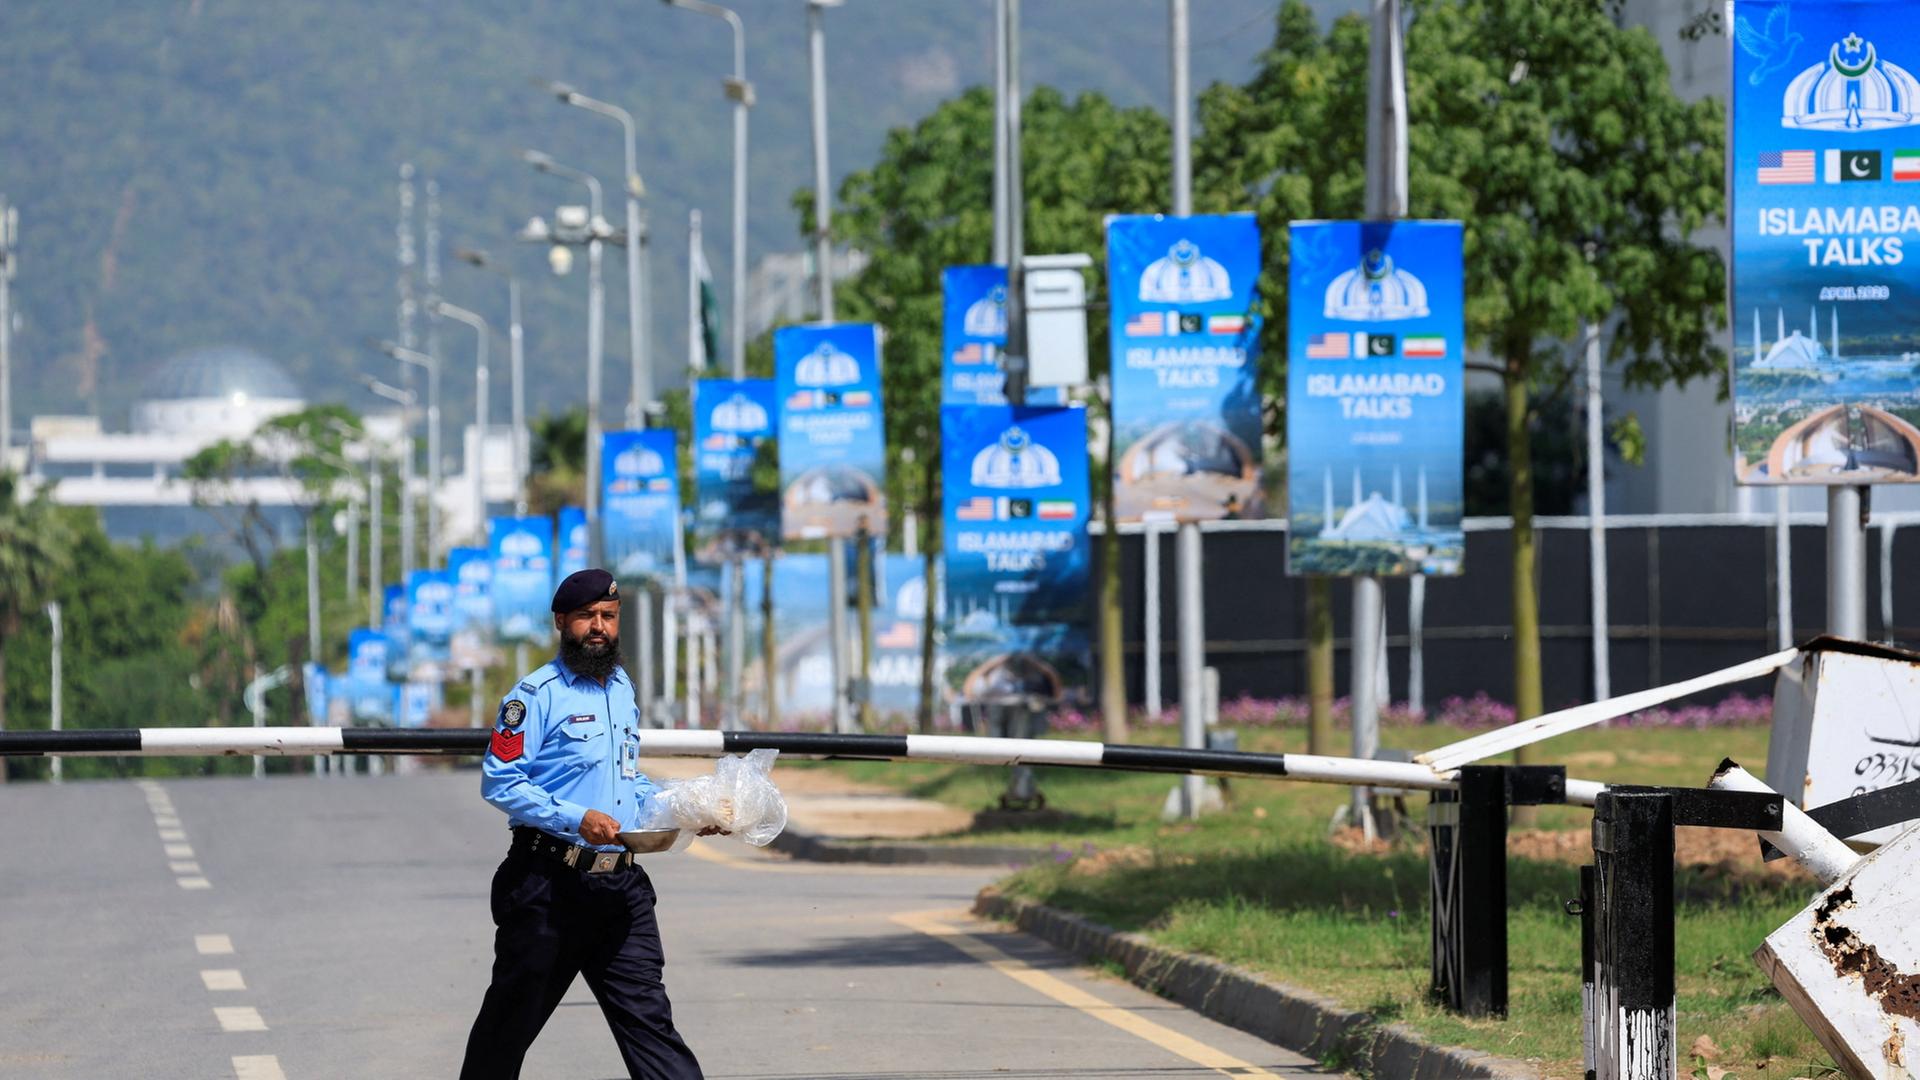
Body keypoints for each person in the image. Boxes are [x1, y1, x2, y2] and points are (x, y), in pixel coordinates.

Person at [460, 568, 706, 1080]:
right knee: (507, 1028)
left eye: (608, 617)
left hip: (619, 889)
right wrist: (576, 817)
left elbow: (629, 781)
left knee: (651, 1025)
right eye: (586, 617)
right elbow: (500, 781)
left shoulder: (621, 688)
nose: (598, 627)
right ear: (561, 622)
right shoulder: (535, 694)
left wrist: (685, 810)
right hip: (547, 888)